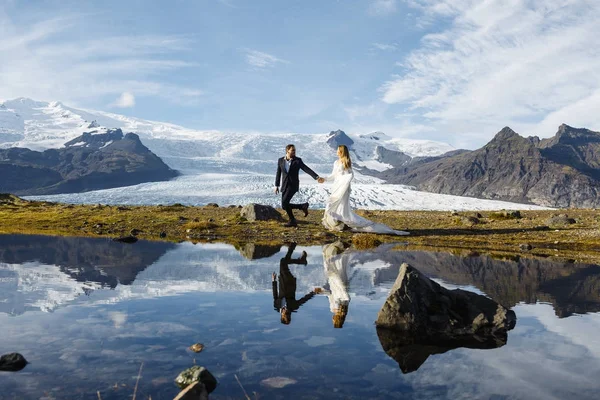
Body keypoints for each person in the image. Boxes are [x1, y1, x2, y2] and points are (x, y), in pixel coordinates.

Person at [318, 145, 409, 235]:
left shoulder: (346, 162)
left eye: (338, 150)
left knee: (342, 207)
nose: (336, 152)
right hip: (336, 187)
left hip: (344, 188)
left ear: (341, 152)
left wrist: (345, 185)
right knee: (331, 204)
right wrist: (324, 179)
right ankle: (336, 224)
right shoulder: (336, 162)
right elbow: (333, 175)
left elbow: (349, 175)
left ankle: (342, 224)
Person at [275, 144, 324, 227]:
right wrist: (276, 185)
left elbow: (306, 169)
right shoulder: (280, 160)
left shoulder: (298, 161)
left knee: (285, 202)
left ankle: (292, 220)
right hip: (284, 185)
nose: (294, 152)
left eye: (294, 150)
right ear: (287, 151)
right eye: (292, 150)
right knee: (284, 206)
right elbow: (278, 173)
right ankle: (302, 206)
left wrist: (316, 177)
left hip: (293, 185)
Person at [272, 243, 316, 325]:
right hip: (289, 282)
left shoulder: (277, 306)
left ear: (281, 315)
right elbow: (303, 300)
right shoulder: (293, 306)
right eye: (288, 314)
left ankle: (296, 252)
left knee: (283, 262)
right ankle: (294, 250)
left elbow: (275, 295)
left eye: (285, 314)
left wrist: (273, 281)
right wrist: (313, 293)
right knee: (283, 262)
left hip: (282, 280)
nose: (286, 312)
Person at [313, 242, 351, 328]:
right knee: (334, 266)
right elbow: (334, 294)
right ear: (336, 319)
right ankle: (339, 247)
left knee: (334, 265)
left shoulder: (338, 307)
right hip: (338, 283)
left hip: (336, 283)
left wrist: (321, 292)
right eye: (333, 320)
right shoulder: (339, 306)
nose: (332, 319)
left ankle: (338, 248)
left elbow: (330, 294)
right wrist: (321, 292)